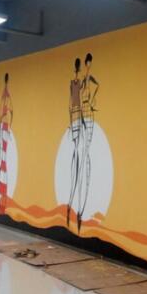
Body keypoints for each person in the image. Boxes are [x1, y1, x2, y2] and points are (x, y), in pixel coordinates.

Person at [77, 53, 99, 233]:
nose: (88, 65)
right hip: (84, 113)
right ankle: (80, 207)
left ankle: (82, 207)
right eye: (87, 63)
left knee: (85, 155)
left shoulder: (88, 78)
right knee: (83, 156)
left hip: (87, 112)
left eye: (89, 63)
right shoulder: (84, 79)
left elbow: (97, 86)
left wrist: (92, 102)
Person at [67, 59, 83, 229]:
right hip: (76, 121)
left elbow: (71, 105)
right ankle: (73, 208)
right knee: (76, 160)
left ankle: (75, 209)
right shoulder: (75, 83)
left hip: (78, 120)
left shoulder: (80, 83)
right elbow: (71, 104)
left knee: (78, 161)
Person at [0, 74, 13, 215]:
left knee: (3, 165)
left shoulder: (5, 96)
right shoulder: (5, 96)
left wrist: (5, 122)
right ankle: (1, 201)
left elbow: (8, 111)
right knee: (2, 165)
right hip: (4, 130)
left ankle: (2, 201)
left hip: (4, 130)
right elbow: (7, 112)